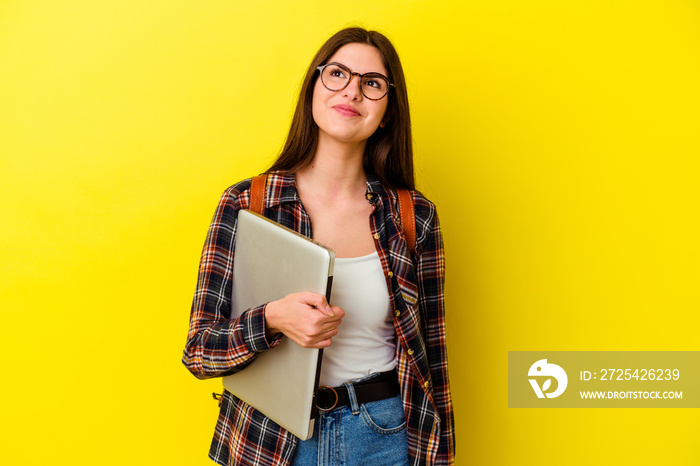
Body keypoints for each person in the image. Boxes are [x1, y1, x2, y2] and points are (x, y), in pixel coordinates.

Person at [183, 27, 455, 465]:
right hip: (269, 438)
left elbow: (434, 360)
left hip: (383, 435)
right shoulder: (247, 204)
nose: (352, 91)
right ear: (314, 88)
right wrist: (272, 319)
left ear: (386, 111)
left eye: (371, 83)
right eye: (337, 74)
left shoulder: (413, 216)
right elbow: (199, 352)